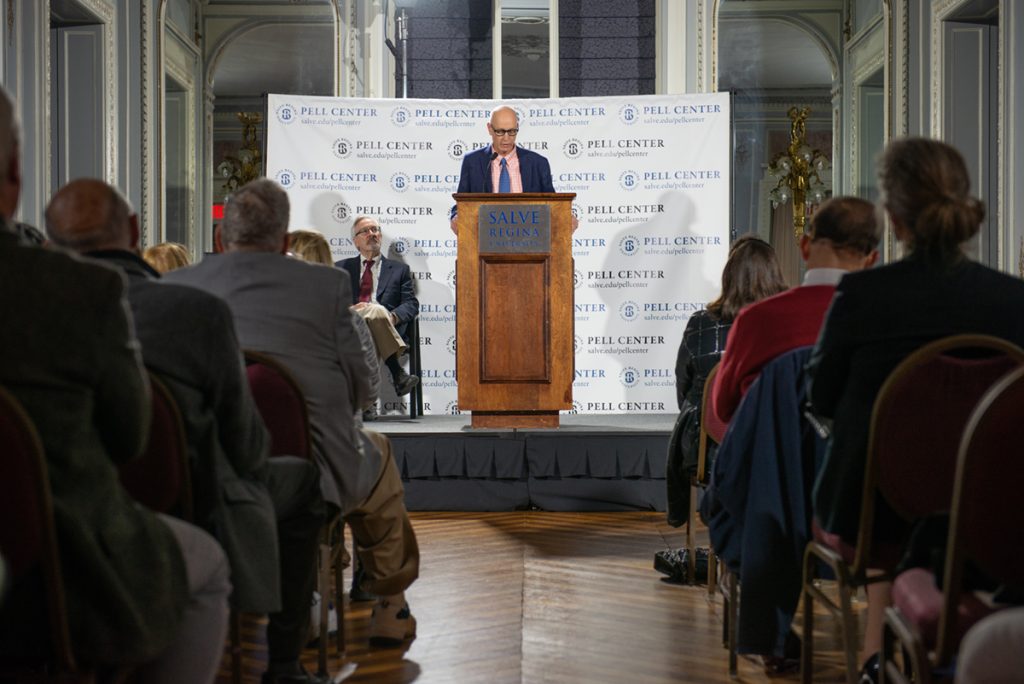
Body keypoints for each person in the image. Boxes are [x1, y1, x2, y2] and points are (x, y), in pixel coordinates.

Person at [44, 178, 329, 684]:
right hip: (195, 505)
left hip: (52, 515)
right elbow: (246, 446)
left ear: (50, 245)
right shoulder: (193, 312)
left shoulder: (31, 319)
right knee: (303, 482)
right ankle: (283, 664)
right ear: (133, 232)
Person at [0, 86, 230, 683]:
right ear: (16, 176)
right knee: (205, 565)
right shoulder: (78, 291)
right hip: (53, 564)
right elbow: (131, 436)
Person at [167, 178, 420, 647]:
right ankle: (389, 605)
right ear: (283, 241)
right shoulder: (326, 287)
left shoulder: (177, 286)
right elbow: (365, 387)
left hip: (202, 473)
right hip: (313, 466)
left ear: (221, 241)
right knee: (378, 454)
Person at [806, 137, 1024, 683]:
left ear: (895, 220)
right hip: (992, 515)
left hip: (874, 516)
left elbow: (821, 399)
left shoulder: (862, 297)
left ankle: (879, 658)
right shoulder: (1014, 301)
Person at [658, 236, 787, 574]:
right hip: (773, 451)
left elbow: (684, 391)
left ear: (729, 275)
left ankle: (709, 550)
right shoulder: (784, 327)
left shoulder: (700, 323)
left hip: (707, 452)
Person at [709, 196, 880, 429]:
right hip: (854, 461)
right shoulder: (883, 322)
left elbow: (723, 409)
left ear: (804, 246)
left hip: (771, 461)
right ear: (871, 259)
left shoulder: (753, 320)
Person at [335, 216, 419, 398]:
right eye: (365, 231)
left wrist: (393, 316)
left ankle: (366, 405)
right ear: (356, 242)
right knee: (375, 311)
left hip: (386, 325)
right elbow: (334, 304)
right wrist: (356, 309)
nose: (372, 234)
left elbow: (411, 304)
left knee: (376, 315)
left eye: (375, 230)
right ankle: (397, 374)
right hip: (351, 324)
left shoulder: (399, 269)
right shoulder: (341, 268)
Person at [449, 105, 555, 233]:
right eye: (500, 132)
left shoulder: (538, 163)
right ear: (489, 129)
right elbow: (461, 204)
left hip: (528, 239)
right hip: (486, 238)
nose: (506, 138)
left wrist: (566, 215)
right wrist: (456, 217)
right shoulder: (473, 162)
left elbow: (553, 204)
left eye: (512, 132)